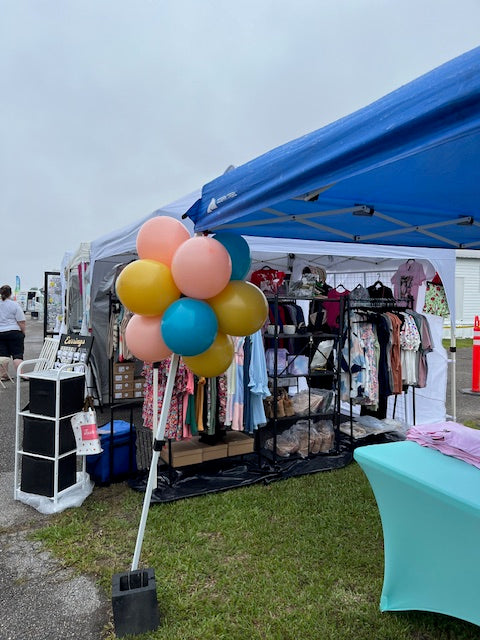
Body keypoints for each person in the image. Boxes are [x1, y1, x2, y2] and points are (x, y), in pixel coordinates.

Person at [0, 284, 26, 379]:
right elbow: (21, 321)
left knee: (3, 355)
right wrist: (23, 332)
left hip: (1, 333)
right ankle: (21, 374)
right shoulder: (14, 305)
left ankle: (3, 375)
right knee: (17, 355)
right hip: (14, 332)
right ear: (10, 293)